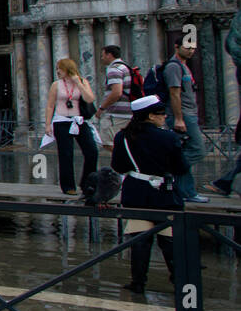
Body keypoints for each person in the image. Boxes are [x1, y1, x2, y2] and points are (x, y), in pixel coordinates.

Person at [112, 95, 189, 294]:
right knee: (169, 240)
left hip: (136, 191)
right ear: (150, 116)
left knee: (139, 241)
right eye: (161, 113)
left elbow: (118, 166)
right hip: (164, 194)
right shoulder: (169, 137)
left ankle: (138, 283)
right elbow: (181, 168)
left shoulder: (122, 137)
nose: (164, 117)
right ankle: (180, 282)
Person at [45, 57, 99, 196]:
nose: (57, 71)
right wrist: (47, 124)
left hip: (79, 120)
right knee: (66, 154)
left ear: (68, 69)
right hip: (61, 121)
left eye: (60, 68)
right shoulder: (56, 85)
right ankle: (68, 186)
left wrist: (78, 83)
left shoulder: (82, 82)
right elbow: (50, 105)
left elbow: (90, 99)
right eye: (57, 68)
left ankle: (87, 183)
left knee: (92, 150)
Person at [162, 39, 208, 203]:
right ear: (176, 47)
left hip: (189, 114)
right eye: (187, 47)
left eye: (193, 48)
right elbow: (174, 93)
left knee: (185, 151)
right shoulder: (174, 66)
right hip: (182, 115)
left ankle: (186, 191)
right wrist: (179, 118)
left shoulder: (184, 66)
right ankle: (168, 172)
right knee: (197, 149)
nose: (191, 51)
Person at [94, 44, 133, 146]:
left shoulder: (114, 69)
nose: (102, 58)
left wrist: (102, 108)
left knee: (108, 142)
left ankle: (123, 160)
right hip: (127, 112)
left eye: (103, 55)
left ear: (109, 55)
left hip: (116, 114)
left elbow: (117, 92)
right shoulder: (125, 67)